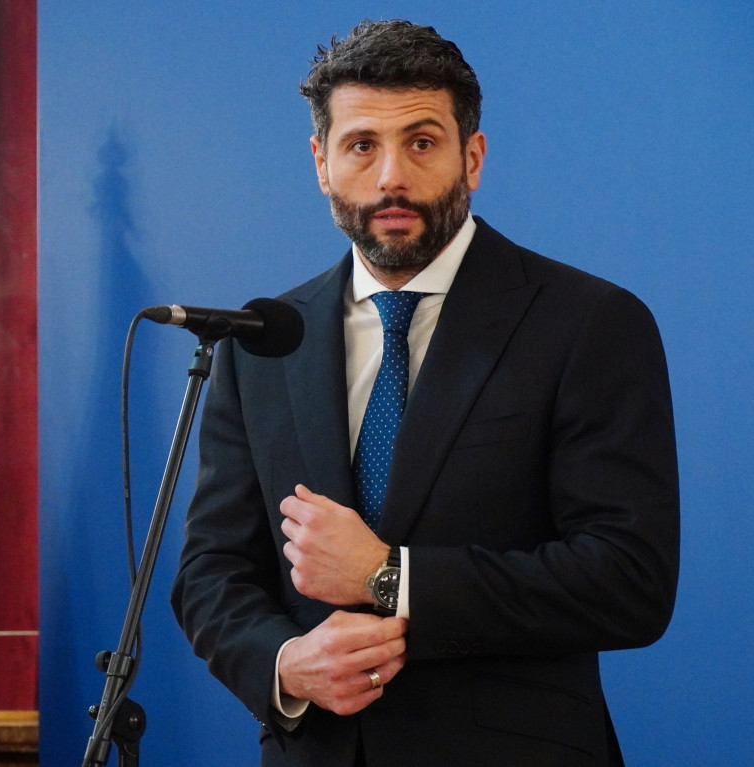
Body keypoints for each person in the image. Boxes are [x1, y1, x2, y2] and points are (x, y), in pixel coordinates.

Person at [170, 19, 678, 767]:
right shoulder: (265, 340)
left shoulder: (588, 322)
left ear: (471, 157)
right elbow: (211, 571)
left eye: (421, 142)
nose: (390, 178)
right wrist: (285, 664)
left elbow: (627, 580)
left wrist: (389, 577)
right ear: (320, 162)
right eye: (360, 145)